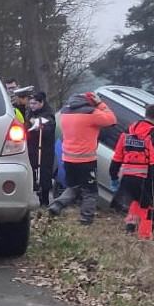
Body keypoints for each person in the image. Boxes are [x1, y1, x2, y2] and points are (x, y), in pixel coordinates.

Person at [48, 92, 116, 224]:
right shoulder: (91, 114)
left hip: (68, 158)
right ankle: (86, 218)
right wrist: (100, 104)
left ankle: (57, 205)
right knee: (90, 191)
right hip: (86, 160)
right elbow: (112, 120)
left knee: (74, 186)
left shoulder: (65, 113)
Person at [109, 104, 154, 240]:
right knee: (149, 205)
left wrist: (113, 175)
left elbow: (118, 154)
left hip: (127, 177)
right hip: (143, 177)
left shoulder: (129, 130)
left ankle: (130, 228)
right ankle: (144, 236)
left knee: (136, 201)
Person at [26, 92, 56, 207]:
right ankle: (34, 193)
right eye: (30, 103)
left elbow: (49, 130)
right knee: (32, 172)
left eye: (34, 103)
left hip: (44, 150)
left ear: (41, 103)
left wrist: (39, 125)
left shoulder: (48, 115)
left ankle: (44, 201)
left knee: (44, 175)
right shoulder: (30, 113)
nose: (32, 106)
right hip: (32, 148)